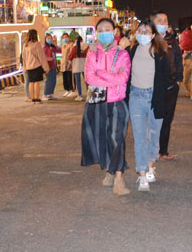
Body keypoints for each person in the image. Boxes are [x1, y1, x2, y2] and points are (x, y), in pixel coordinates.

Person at [81, 18, 132, 195]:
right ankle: (110, 171)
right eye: (100, 29)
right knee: (103, 138)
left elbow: (124, 77)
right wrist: (110, 75)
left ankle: (118, 178)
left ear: (115, 31)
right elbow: (89, 78)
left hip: (118, 102)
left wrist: (101, 73)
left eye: (107, 29)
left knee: (117, 138)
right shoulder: (91, 53)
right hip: (98, 103)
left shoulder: (123, 53)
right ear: (96, 33)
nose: (104, 32)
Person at [126, 20, 170, 191]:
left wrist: (160, 95)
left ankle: (151, 164)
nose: (143, 34)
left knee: (153, 134)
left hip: (155, 97)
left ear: (153, 35)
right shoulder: (131, 51)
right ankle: (142, 174)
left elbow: (166, 77)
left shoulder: (160, 53)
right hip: (136, 96)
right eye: (140, 31)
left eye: (146, 31)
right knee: (139, 136)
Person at [151, 11, 183, 161]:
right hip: (153, 88)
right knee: (153, 119)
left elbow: (178, 60)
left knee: (167, 119)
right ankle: (152, 150)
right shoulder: (149, 41)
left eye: (165, 20)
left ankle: (163, 151)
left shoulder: (172, 41)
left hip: (171, 87)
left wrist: (178, 79)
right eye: (159, 20)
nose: (163, 23)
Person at [22, 29, 50, 104]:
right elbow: (42, 57)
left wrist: (24, 68)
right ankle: (37, 99)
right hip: (36, 66)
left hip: (29, 67)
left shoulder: (25, 45)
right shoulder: (37, 44)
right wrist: (46, 68)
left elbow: (23, 58)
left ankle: (32, 98)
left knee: (31, 83)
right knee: (37, 82)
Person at [68, 35, 88, 101]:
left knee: (78, 81)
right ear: (82, 40)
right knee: (87, 81)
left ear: (76, 40)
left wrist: (69, 64)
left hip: (76, 65)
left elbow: (70, 56)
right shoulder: (86, 46)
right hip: (85, 65)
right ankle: (89, 95)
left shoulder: (74, 46)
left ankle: (80, 95)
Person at [60, 33, 75, 97]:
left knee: (70, 78)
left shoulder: (71, 44)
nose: (65, 38)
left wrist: (69, 63)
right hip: (63, 64)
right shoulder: (63, 45)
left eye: (66, 37)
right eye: (63, 37)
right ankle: (67, 90)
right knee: (65, 78)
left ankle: (72, 90)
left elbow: (71, 54)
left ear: (68, 37)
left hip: (69, 64)